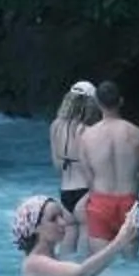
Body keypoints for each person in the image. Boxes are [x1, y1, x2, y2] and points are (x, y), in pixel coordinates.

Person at [76, 79, 139, 252]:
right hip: (130, 202)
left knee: (101, 264)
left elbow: (88, 179)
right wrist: (132, 190)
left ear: (97, 103)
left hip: (100, 202)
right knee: (131, 264)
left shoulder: (87, 137)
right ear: (121, 101)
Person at [46, 79, 96, 218]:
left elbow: (57, 165)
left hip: (65, 190)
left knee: (67, 237)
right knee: (87, 237)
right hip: (86, 191)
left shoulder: (55, 126)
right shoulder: (90, 130)